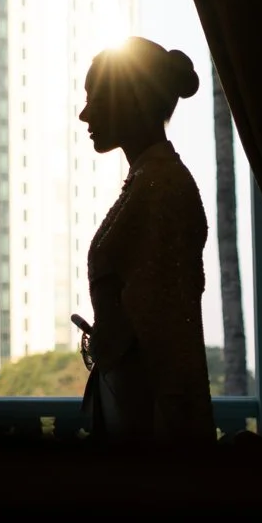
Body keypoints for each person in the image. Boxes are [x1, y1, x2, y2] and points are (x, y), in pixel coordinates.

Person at [76, 39, 218, 442]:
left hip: (148, 419)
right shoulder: (150, 180)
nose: (85, 114)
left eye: (94, 99)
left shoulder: (160, 187)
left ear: (129, 100)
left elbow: (168, 329)